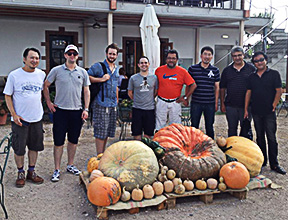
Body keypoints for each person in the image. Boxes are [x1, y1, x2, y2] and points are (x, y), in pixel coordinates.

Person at [44, 44, 90, 182]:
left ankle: (70, 165)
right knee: (58, 141)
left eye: (74, 54)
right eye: (69, 53)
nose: (72, 56)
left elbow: (86, 91)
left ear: (77, 56)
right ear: (65, 55)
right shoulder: (56, 71)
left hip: (76, 111)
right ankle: (57, 169)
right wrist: (49, 103)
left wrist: (86, 109)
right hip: (61, 111)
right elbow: (45, 86)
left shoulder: (82, 72)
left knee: (73, 140)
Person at [4, 48, 45, 187]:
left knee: (34, 147)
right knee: (19, 148)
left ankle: (31, 171)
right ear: (24, 59)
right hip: (20, 120)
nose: (34, 61)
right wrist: (14, 114)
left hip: (36, 118)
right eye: (31, 58)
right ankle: (20, 172)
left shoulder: (41, 75)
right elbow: (7, 95)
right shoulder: (14, 75)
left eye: (37, 58)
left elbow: (42, 92)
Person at [244, 51, 286, 175]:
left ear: (266, 60)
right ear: (254, 63)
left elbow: (279, 91)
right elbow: (248, 93)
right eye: (256, 61)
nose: (259, 62)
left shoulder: (274, 74)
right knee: (260, 137)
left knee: (271, 138)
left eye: (261, 59)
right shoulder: (252, 77)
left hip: (269, 112)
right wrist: (246, 109)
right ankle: (262, 161)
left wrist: (274, 105)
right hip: (256, 111)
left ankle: (274, 163)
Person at [87, 43, 119, 154]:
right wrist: (101, 79)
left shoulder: (116, 69)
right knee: (100, 132)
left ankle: (102, 154)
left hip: (112, 104)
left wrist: (117, 100)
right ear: (106, 54)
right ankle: (99, 156)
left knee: (107, 131)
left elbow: (116, 86)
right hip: (101, 103)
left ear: (116, 56)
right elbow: (87, 77)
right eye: (110, 54)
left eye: (114, 54)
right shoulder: (98, 66)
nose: (112, 56)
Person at [155, 49, 196, 131]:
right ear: (166, 59)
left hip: (175, 102)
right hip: (161, 101)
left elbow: (193, 85)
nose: (171, 60)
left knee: (176, 128)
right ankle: (159, 142)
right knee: (159, 126)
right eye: (169, 58)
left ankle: (174, 143)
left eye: (173, 58)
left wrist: (185, 97)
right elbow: (155, 85)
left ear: (177, 60)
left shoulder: (182, 71)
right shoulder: (159, 70)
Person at [220, 46, 255, 137]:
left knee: (246, 130)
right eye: (234, 56)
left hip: (247, 106)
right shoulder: (227, 71)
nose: (237, 58)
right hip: (231, 106)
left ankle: (245, 150)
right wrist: (222, 103)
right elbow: (222, 88)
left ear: (243, 55)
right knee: (232, 129)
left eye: (239, 55)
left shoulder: (251, 69)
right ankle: (232, 150)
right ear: (232, 57)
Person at [188, 46, 220, 139]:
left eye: (209, 54)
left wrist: (216, 103)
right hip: (196, 102)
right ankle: (193, 145)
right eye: (205, 54)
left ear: (212, 57)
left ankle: (210, 147)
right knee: (194, 126)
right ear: (201, 56)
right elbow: (188, 84)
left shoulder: (215, 70)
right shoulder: (193, 69)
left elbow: (217, 87)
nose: (207, 56)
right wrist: (187, 98)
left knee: (209, 126)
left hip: (209, 103)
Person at [127, 56, 158, 140]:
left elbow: (155, 91)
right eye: (141, 63)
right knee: (136, 132)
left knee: (148, 133)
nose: (144, 65)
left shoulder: (154, 78)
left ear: (149, 64)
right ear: (138, 65)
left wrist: (148, 99)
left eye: (145, 63)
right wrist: (137, 99)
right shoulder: (133, 78)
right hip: (137, 109)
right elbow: (130, 92)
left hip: (149, 109)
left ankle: (146, 150)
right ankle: (138, 149)